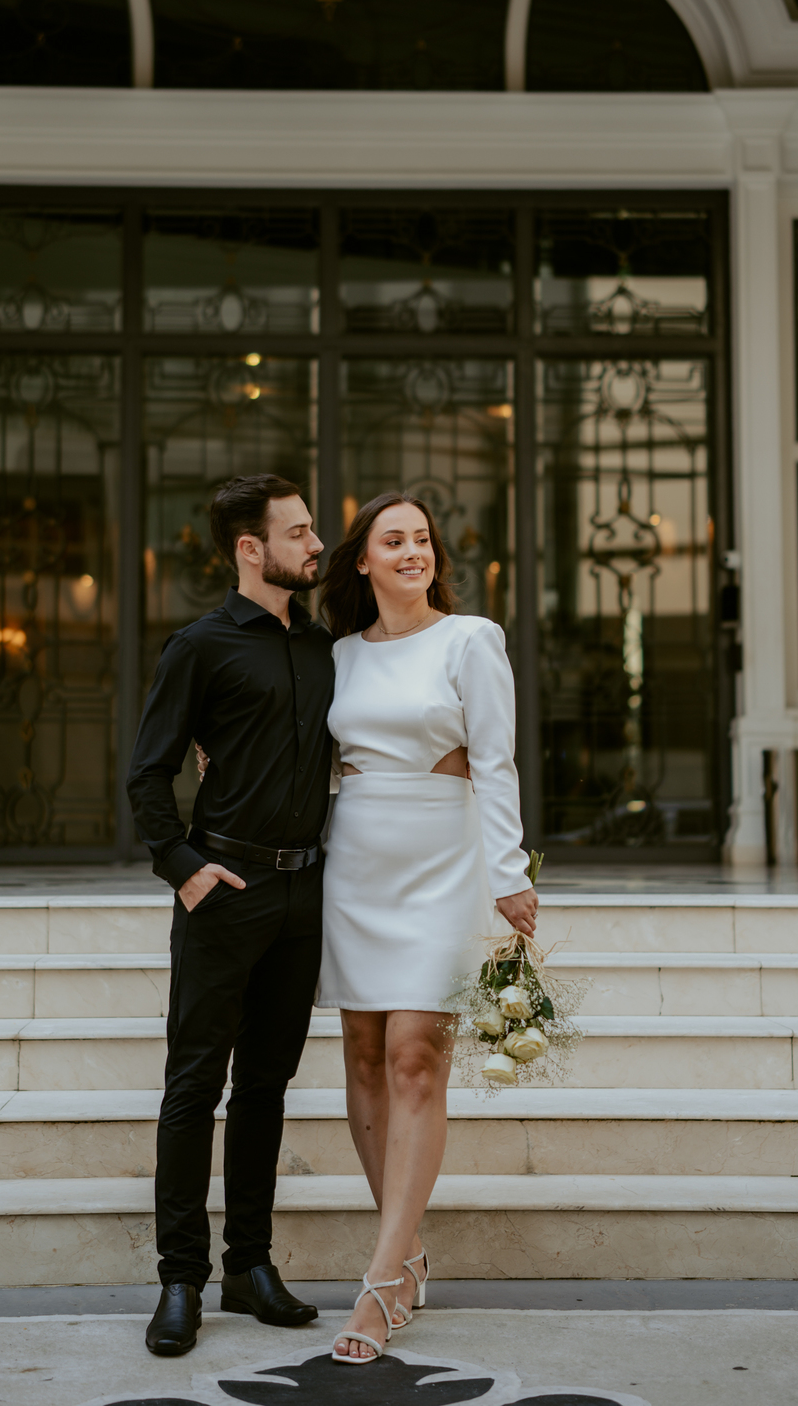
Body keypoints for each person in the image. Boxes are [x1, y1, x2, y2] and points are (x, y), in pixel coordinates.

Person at [316, 492, 538, 1365]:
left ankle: (376, 1285)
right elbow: (312, 755)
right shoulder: (336, 655)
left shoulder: (470, 638)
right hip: (356, 860)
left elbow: (496, 760)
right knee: (365, 1055)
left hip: (444, 860)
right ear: (362, 561)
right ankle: (404, 1249)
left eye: (423, 540)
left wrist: (510, 875)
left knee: (416, 1052)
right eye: (393, 540)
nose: (413, 552)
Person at [126, 474, 335, 1358]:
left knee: (266, 1087)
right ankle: (182, 1278)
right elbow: (148, 770)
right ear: (252, 549)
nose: (315, 542)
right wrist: (183, 867)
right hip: (225, 890)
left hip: (302, 896)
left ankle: (250, 1267)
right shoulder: (200, 647)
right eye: (298, 532)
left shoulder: (328, 647)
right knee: (194, 1085)